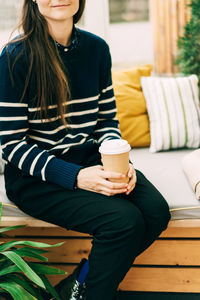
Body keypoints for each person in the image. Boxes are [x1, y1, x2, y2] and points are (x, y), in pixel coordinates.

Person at [0, 1, 171, 300]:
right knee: (123, 222)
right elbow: (12, 144)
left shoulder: (96, 49)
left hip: (92, 160)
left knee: (156, 211)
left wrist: (122, 164)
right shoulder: (15, 57)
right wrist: (77, 177)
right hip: (36, 178)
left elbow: (106, 120)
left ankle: (79, 284)